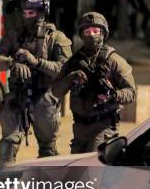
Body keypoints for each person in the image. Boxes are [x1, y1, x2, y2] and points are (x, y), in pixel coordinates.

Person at [0, 0, 72, 165]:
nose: (27, 16)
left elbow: (65, 69)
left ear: (42, 12)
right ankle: (2, 187)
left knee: (48, 150)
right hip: (18, 96)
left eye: (31, 12)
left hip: (44, 98)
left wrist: (37, 62)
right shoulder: (14, 36)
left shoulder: (56, 38)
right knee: (8, 145)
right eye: (24, 12)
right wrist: (12, 63)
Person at [52, 12, 136, 153]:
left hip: (103, 127)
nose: (91, 34)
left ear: (103, 33)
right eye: (87, 31)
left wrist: (113, 95)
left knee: (92, 167)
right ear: (82, 34)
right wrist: (71, 77)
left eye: (95, 31)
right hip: (79, 128)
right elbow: (56, 91)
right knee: (77, 170)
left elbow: (131, 93)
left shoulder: (114, 60)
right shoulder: (75, 61)